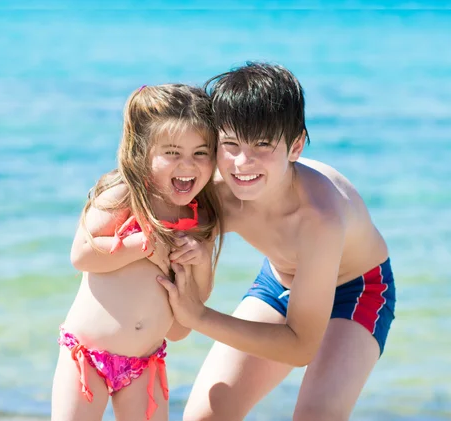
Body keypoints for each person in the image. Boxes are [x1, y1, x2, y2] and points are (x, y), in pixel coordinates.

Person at [156, 63, 396, 421]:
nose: (242, 162)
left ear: (296, 145)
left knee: (316, 416)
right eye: (231, 144)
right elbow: (145, 205)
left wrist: (199, 316)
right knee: (204, 417)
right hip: (282, 279)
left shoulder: (318, 217)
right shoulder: (218, 191)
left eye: (263, 144)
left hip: (356, 290)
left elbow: (299, 347)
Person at [51, 84, 223, 421]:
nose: (187, 165)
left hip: (145, 364)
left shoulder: (199, 219)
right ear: (143, 152)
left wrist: (200, 262)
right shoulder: (126, 195)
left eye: (201, 153)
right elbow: (81, 254)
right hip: (86, 356)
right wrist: (141, 246)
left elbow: (184, 323)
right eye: (172, 152)